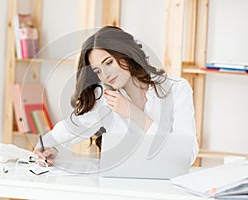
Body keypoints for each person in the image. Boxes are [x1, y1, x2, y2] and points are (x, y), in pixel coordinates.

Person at [34, 26, 198, 166]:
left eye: (109, 62)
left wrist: (133, 113)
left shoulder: (177, 90)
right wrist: (46, 147)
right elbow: (71, 129)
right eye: (97, 70)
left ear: (127, 54)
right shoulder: (106, 97)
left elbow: (186, 156)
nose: (105, 74)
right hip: (120, 189)